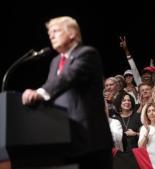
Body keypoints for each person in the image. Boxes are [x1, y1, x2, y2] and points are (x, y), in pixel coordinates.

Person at [21, 16, 113, 169]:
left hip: (91, 141)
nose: (51, 35)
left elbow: (67, 78)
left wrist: (39, 92)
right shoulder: (55, 61)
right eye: (49, 33)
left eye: (55, 31)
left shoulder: (87, 54)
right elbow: (52, 90)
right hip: (63, 142)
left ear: (71, 33)